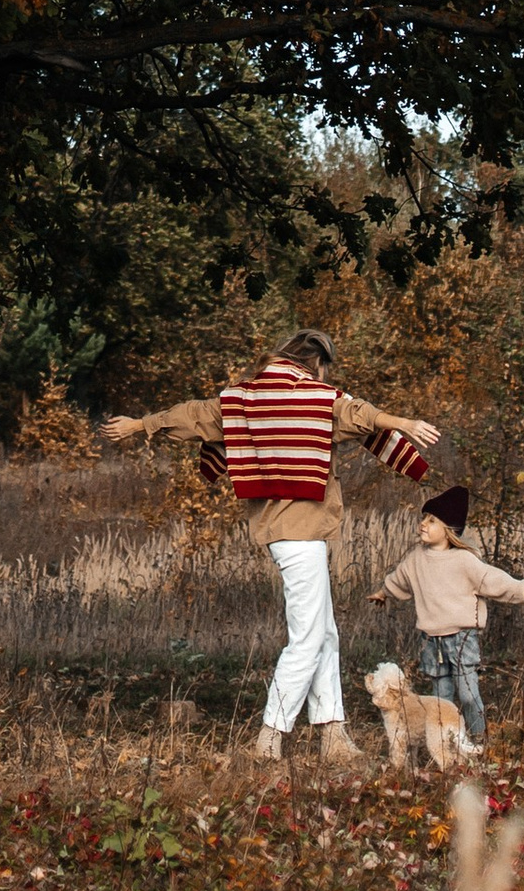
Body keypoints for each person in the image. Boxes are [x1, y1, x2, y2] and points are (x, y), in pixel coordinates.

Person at [101, 329, 439, 772]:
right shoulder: (314, 398)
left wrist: (138, 425)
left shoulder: (242, 399)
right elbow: (356, 413)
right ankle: (269, 737)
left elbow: (189, 416)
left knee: (326, 632)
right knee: (308, 638)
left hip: (283, 532)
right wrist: (404, 424)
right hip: (301, 535)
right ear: (314, 364)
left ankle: (332, 732)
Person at [375, 484, 524, 751]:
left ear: (448, 530)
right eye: (423, 519)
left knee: (467, 693)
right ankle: (447, 746)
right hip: (432, 642)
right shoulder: (416, 559)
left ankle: (478, 742)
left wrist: (521, 588)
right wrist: (384, 592)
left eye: (431, 521)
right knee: (441, 698)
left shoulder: (464, 560)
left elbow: (492, 580)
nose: (423, 525)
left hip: (462, 638)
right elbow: (399, 579)